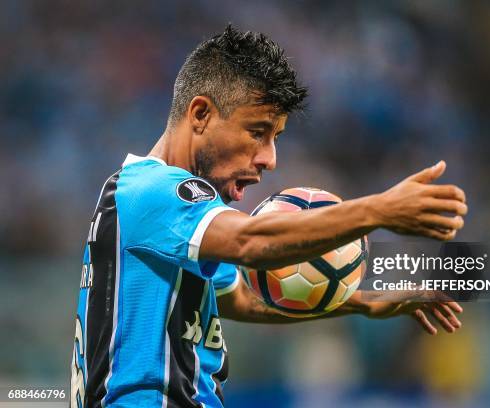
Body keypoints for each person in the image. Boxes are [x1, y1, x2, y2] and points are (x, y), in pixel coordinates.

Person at [70, 25, 468, 408]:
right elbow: (252, 243)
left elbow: (242, 297)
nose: (270, 159)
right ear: (201, 114)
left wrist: (358, 302)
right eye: (257, 132)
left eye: (275, 137)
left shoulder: (177, 215)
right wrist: (377, 210)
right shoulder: (152, 191)